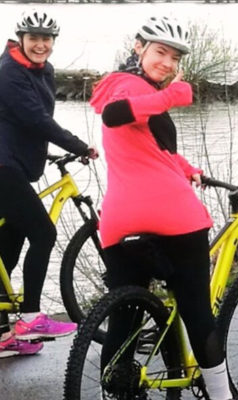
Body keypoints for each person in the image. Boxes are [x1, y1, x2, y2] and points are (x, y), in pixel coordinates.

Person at [88, 16, 232, 399]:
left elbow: (148, 149)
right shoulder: (128, 85)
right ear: (139, 48)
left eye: (174, 57)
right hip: (174, 219)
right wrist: (173, 95)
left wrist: (187, 169)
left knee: (124, 319)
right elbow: (114, 115)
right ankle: (221, 396)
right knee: (197, 314)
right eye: (160, 52)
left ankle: (115, 392)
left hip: (119, 220)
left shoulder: (122, 84)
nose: (167, 63)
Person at [0, 10, 98, 358]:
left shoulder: (43, 70)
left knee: (8, 245)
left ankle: (4, 332)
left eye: (47, 39)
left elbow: (28, 121)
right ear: (21, 39)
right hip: (3, 167)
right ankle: (30, 318)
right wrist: (79, 145)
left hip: (16, 164)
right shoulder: (9, 73)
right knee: (43, 232)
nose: (41, 45)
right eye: (34, 38)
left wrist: (49, 155)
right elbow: (36, 119)